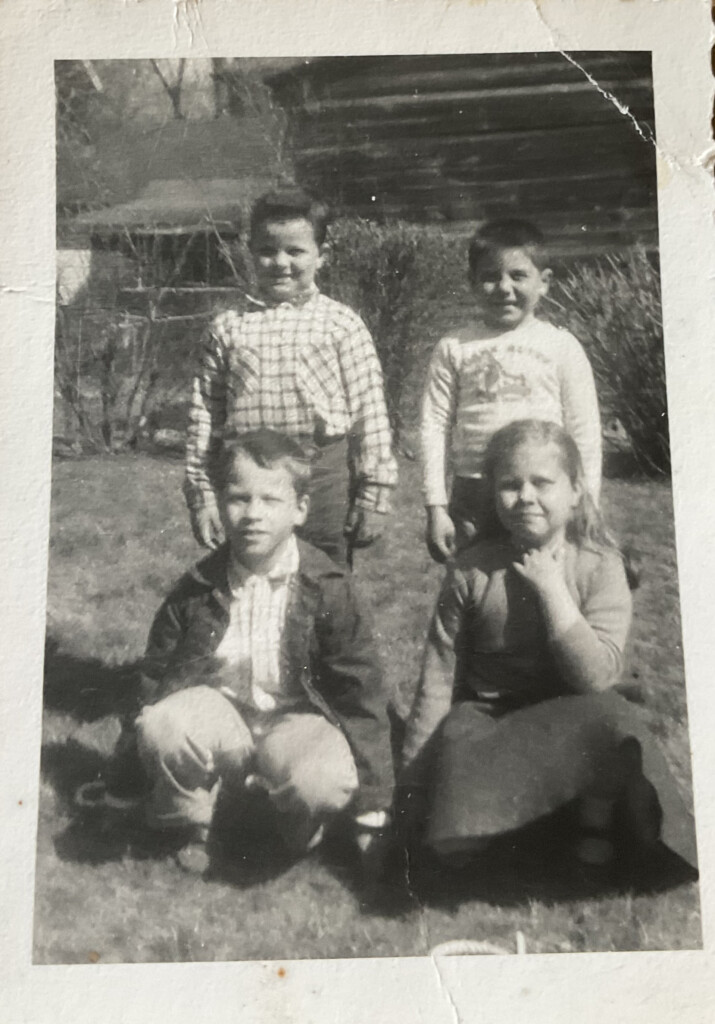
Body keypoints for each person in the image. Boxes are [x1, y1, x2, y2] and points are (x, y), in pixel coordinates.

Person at [401, 419, 697, 877]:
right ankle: (530, 820)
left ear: (576, 490)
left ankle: (592, 816)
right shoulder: (470, 571)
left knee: (614, 724)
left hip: (575, 710)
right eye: (509, 485)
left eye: (542, 483)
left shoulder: (600, 566)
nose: (525, 497)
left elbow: (595, 676)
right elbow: (437, 679)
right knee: (452, 848)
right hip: (490, 718)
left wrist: (552, 589)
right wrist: (414, 784)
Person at [96, 430, 395, 876]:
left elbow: (362, 694)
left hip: (298, 717)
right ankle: (193, 822)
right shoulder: (197, 589)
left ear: (301, 510)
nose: (253, 514)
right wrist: (122, 784)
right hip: (224, 716)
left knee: (320, 781)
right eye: (239, 498)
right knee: (164, 724)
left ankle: (290, 828)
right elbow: (152, 682)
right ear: (219, 502)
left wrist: (373, 808)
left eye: (270, 501)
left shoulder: (329, 589)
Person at [184, 187, 397, 565]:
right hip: (249, 477)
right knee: (249, 577)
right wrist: (202, 494)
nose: (280, 262)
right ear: (251, 254)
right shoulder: (228, 327)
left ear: (321, 256)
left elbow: (370, 413)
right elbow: (204, 416)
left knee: (323, 578)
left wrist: (374, 493)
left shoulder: (340, 324)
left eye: (294, 251)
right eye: (267, 251)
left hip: (322, 475)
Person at [421, 219, 602, 563]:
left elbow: (584, 431)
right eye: (490, 277)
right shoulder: (455, 346)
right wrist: (436, 506)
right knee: (475, 584)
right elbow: (434, 426)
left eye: (518, 276)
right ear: (472, 284)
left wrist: (586, 498)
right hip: (474, 492)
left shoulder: (560, 346)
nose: (504, 287)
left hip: (541, 488)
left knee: (545, 582)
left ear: (544, 282)